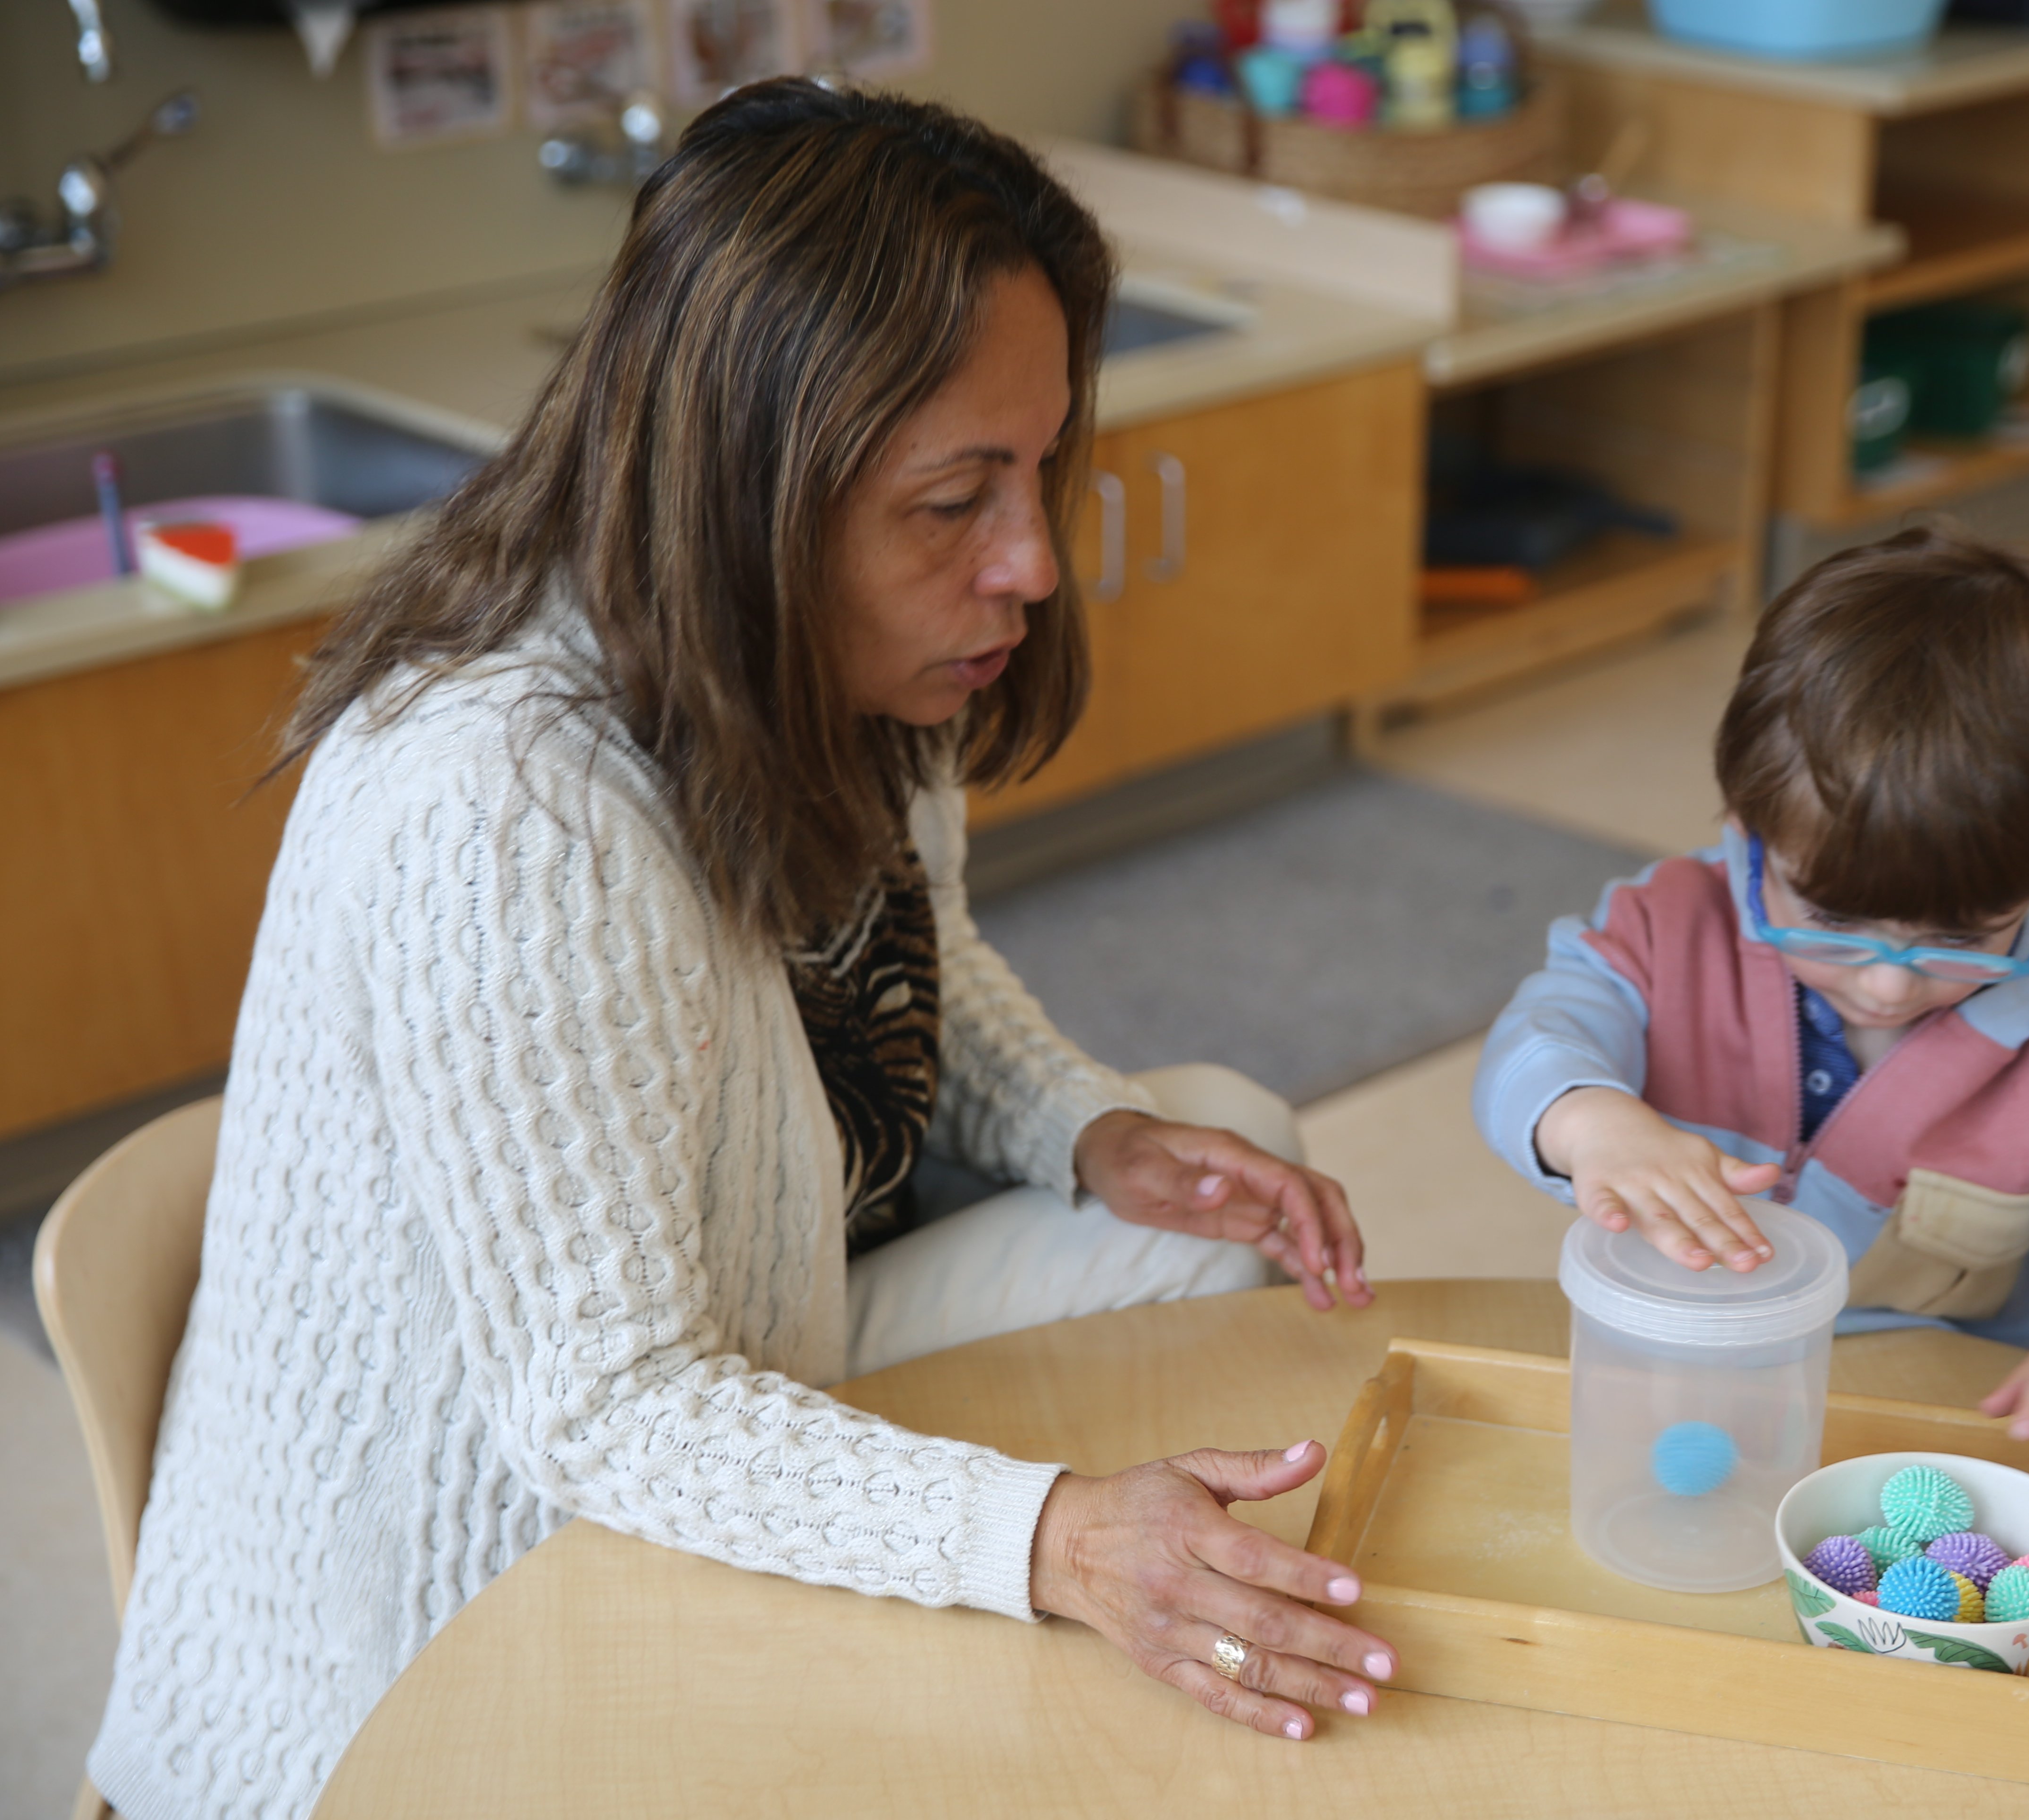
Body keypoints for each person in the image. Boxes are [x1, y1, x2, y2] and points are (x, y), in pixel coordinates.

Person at [88, 82, 1392, 1820]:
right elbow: (613, 1408)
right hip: (456, 1608)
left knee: (1217, 1136)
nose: (1032, 567)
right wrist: (1054, 1542)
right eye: (956, 500)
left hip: (750, 1324)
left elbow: (905, 971)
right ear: (754, 483)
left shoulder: (847, 654)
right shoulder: (511, 813)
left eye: (1038, 470)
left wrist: (1093, 1129)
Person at [1473, 524, 2029, 1478]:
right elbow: (1540, 1037)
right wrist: (1591, 1120)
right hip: (1690, 1393)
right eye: (1828, 918)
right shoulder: (1663, 930)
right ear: (1748, 835)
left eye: (1966, 936)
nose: (1888, 982)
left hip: (1944, 1441)